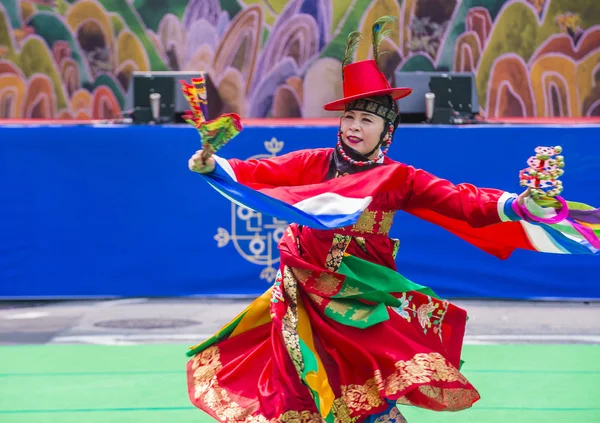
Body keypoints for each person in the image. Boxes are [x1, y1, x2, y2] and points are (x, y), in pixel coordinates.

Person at [184, 17, 599, 423]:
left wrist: (517, 204)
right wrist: (211, 164)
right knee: (297, 377)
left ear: (387, 132)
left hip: (362, 294)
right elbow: (261, 171)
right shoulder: (315, 163)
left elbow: (459, 200)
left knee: (369, 376)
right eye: (349, 117)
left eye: (366, 120)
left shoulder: (399, 177)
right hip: (306, 286)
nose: (354, 126)